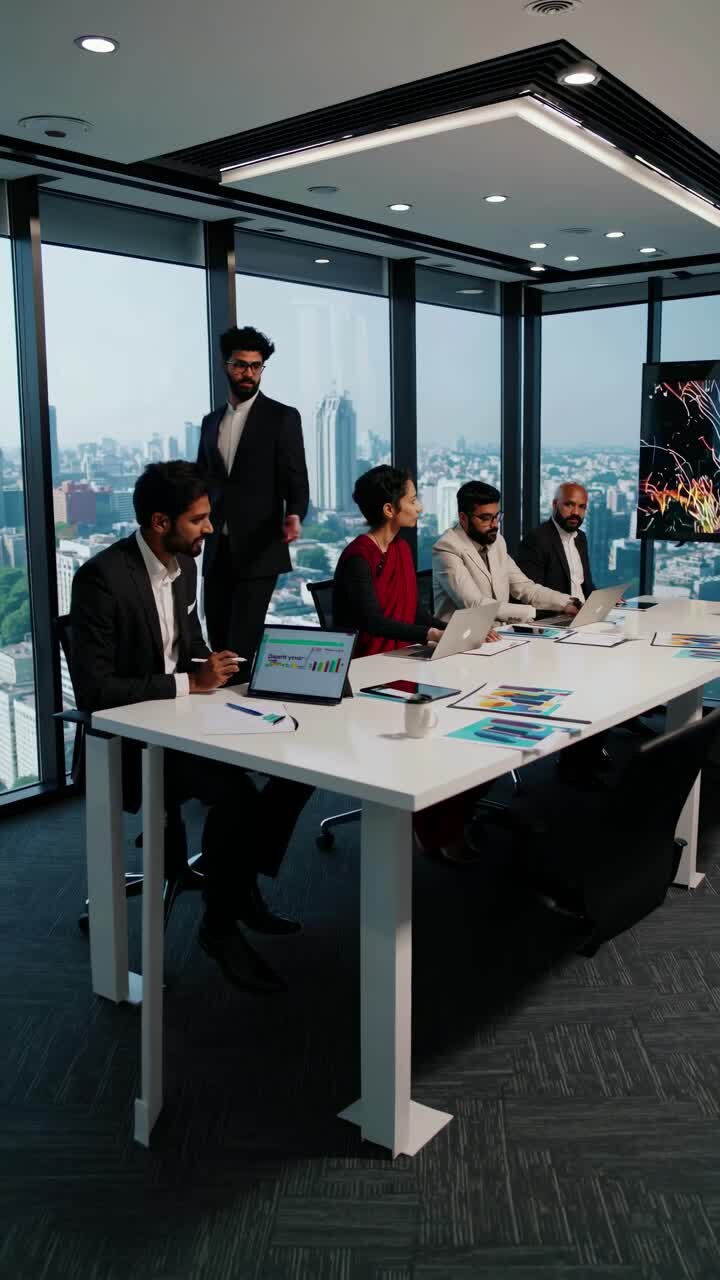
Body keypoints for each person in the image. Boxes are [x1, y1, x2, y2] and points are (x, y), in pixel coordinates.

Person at [70, 462, 313, 995]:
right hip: (132, 743)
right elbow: (95, 691)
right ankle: (219, 927)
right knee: (236, 797)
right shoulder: (101, 579)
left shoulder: (184, 566)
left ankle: (239, 886)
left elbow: (190, 643)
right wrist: (189, 683)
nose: (209, 529)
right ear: (161, 521)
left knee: (299, 770)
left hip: (188, 722)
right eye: (199, 519)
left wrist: (218, 666)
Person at [333, 465, 483, 860]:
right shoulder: (357, 556)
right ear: (388, 509)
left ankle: (442, 823)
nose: (419, 507)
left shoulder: (399, 549)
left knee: (464, 722)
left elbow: (412, 610)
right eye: (413, 500)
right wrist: (430, 636)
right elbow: (372, 621)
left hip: (402, 662)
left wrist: (445, 628)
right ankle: (435, 830)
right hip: (368, 673)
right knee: (441, 734)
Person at [197, 325, 309, 674]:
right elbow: (202, 481)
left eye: (256, 366)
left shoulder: (282, 416)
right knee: (216, 640)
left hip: (259, 546)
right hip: (216, 547)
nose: (248, 373)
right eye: (241, 365)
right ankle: (216, 715)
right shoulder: (210, 421)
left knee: (242, 644)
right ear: (226, 366)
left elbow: (296, 477)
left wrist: (295, 515)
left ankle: (241, 716)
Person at [432, 480, 579, 624]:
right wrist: (534, 613)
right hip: (460, 639)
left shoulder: (497, 542)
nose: (495, 524)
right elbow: (475, 604)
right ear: (463, 518)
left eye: (497, 516)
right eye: (485, 518)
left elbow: (525, 587)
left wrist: (567, 602)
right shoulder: (447, 547)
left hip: (499, 636)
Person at [516, 482, 595, 605]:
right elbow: (531, 594)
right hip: (556, 616)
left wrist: (604, 600)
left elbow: (585, 586)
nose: (576, 512)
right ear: (554, 504)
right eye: (569, 505)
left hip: (584, 613)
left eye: (582, 507)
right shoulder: (537, 539)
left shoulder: (581, 538)